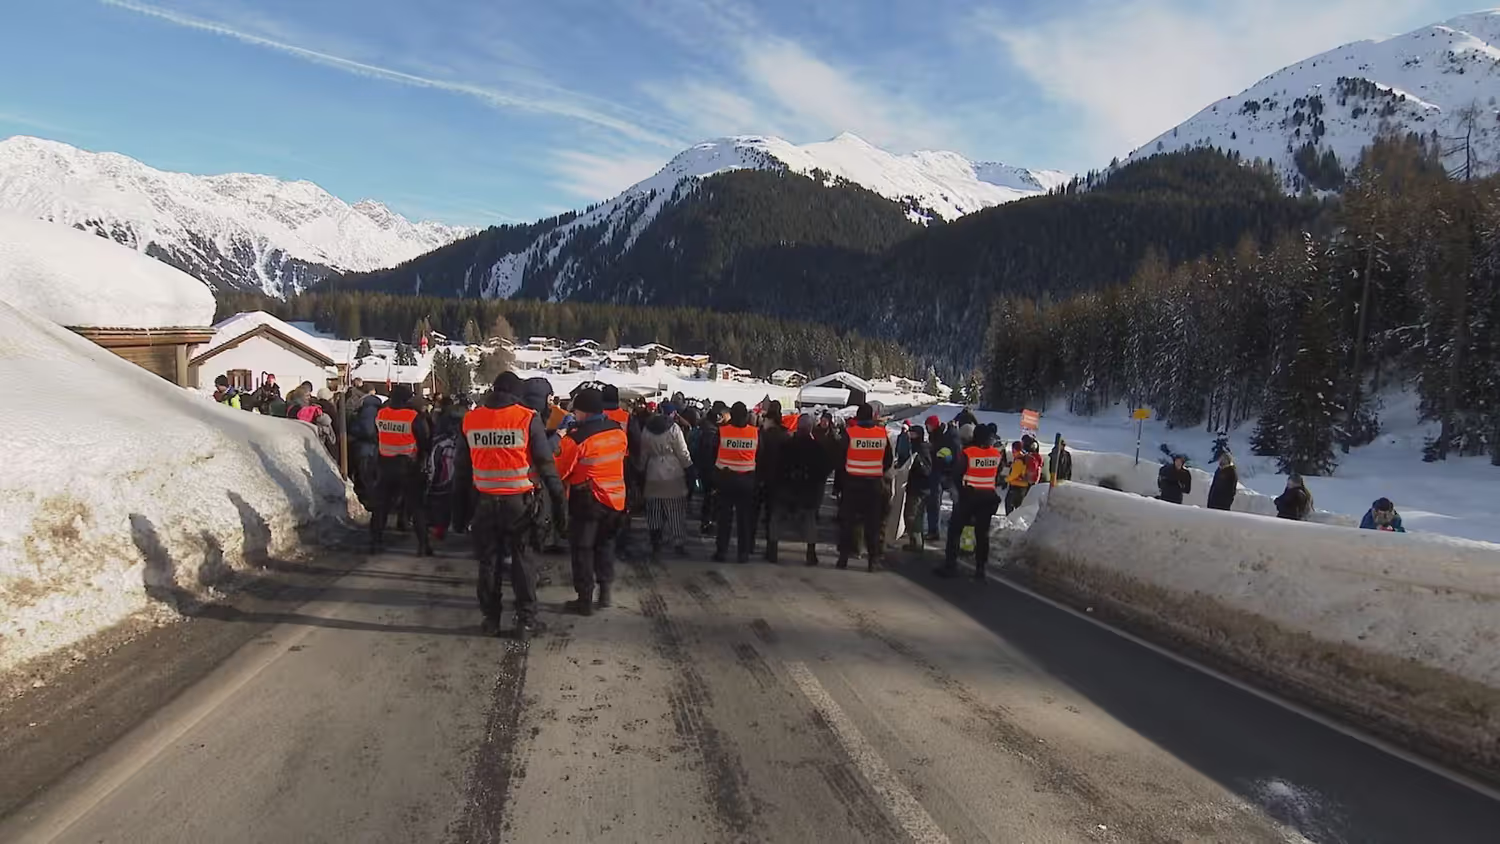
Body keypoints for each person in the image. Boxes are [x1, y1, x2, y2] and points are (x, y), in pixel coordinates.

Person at [460, 372, 566, 639]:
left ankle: (491, 620)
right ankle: (526, 621)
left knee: (489, 562)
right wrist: (559, 503)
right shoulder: (527, 418)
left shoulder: (472, 419)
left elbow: (461, 470)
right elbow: (546, 464)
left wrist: (457, 512)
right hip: (520, 504)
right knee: (523, 560)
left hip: (484, 502)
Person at [556, 388, 629, 615]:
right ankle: (605, 592)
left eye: (576, 411)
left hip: (587, 500)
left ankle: (585, 600)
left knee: (583, 549)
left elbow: (560, 470)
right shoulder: (618, 432)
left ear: (584, 412)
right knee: (605, 545)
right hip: (615, 500)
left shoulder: (576, 439)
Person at [370, 384, 432, 556]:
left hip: (385, 464)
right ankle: (423, 545)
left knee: (381, 506)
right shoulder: (413, 416)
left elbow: (376, 435)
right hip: (408, 466)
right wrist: (421, 457)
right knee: (416, 506)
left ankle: (375, 543)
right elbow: (424, 441)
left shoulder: (381, 414)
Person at [936, 424, 1003, 580]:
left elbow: (957, 474)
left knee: (955, 531)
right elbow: (997, 474)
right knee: (982, 535)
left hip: (969, 497)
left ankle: (950, 566)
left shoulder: (969, 453)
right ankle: (980, 570)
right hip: (988, 498)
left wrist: (959, 491)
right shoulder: (996, 454)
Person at [836, 403, 893, 572]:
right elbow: (888, 460)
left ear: (858, 417)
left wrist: (842, 481)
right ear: (873, 416)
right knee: (872, 524)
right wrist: (875, 470)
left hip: (852, 484)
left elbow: (840, 459)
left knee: (848, 522)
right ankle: (872, 561)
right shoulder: (882, 434)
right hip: (874, 485)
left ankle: (843, 558)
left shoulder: (850, 434)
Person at [773, 414, 832, 567]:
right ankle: (811, 553)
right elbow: (825, 469)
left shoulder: (786, 445)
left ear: (798, 427)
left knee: (777, 519)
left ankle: (772, 550)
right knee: (810, 522)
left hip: (787, 489)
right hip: (808, 491)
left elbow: (777, 466)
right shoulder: (817, 448)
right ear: (810, 428)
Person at [638, 403, 693, 557]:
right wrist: (689, 467)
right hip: (673, 472)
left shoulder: (647, 428)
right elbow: (682, 452)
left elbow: (643, 452)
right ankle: (678, 543)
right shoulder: (674, 428)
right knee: (675, 510)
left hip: (653, 471)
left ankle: (655, 542)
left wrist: (641, 468)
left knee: (654, 510)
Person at [713, 402, 760, 563]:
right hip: (746, 480)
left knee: (724, 518)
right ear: (746, 416)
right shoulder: (755, 433)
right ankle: (743, 553)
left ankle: (721, 551)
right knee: (744, 519)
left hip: (725, 479)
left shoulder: (722, 431)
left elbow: (713, 452)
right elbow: (760, 455)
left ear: (731, 415)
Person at [755, 401, 793, 560]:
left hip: (761, 479)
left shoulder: (762, 435)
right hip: (779, 481)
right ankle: (772, 550)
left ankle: (749, 545)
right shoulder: (786, 436)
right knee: (773, 516)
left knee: (754, 513)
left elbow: (758, 457)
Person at [693, 403, 727, 534]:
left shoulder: (704, 427)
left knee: (708, 497)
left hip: (704, 468)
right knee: (711, 498)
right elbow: (710, 453)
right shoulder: (712, 432)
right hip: (711, 469)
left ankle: (706, 522)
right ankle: (708, 523)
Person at [903, 424, 933, 551]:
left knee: (913, 516)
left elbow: (927, 470)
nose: (910, 436)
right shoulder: (915, 447)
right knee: (912, 515)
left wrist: (917, 464)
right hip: (915, 487)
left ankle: (917, 543)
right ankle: (915, 541)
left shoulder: (922, 449)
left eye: (913, 434)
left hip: (919, 489)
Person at [925, 416, 955, 540]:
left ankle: (934, 531)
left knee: (934, 503)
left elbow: (942, 455)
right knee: (934, 503)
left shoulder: (938, 437)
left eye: (928, 425)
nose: (927, 428)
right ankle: (934, 530)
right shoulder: (938, 436)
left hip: (938, 473)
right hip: (941, 473)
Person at [1003, 441, 1034, 515]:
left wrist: (1004, 480)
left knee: (1009, 506)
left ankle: (1010, 520)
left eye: (1013, 450)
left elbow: (1014, 475)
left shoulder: (1019, 460)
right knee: (1018, 507)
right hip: (1023, 486)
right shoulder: (1024, 458)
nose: (1012, 452)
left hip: (1016, 486)